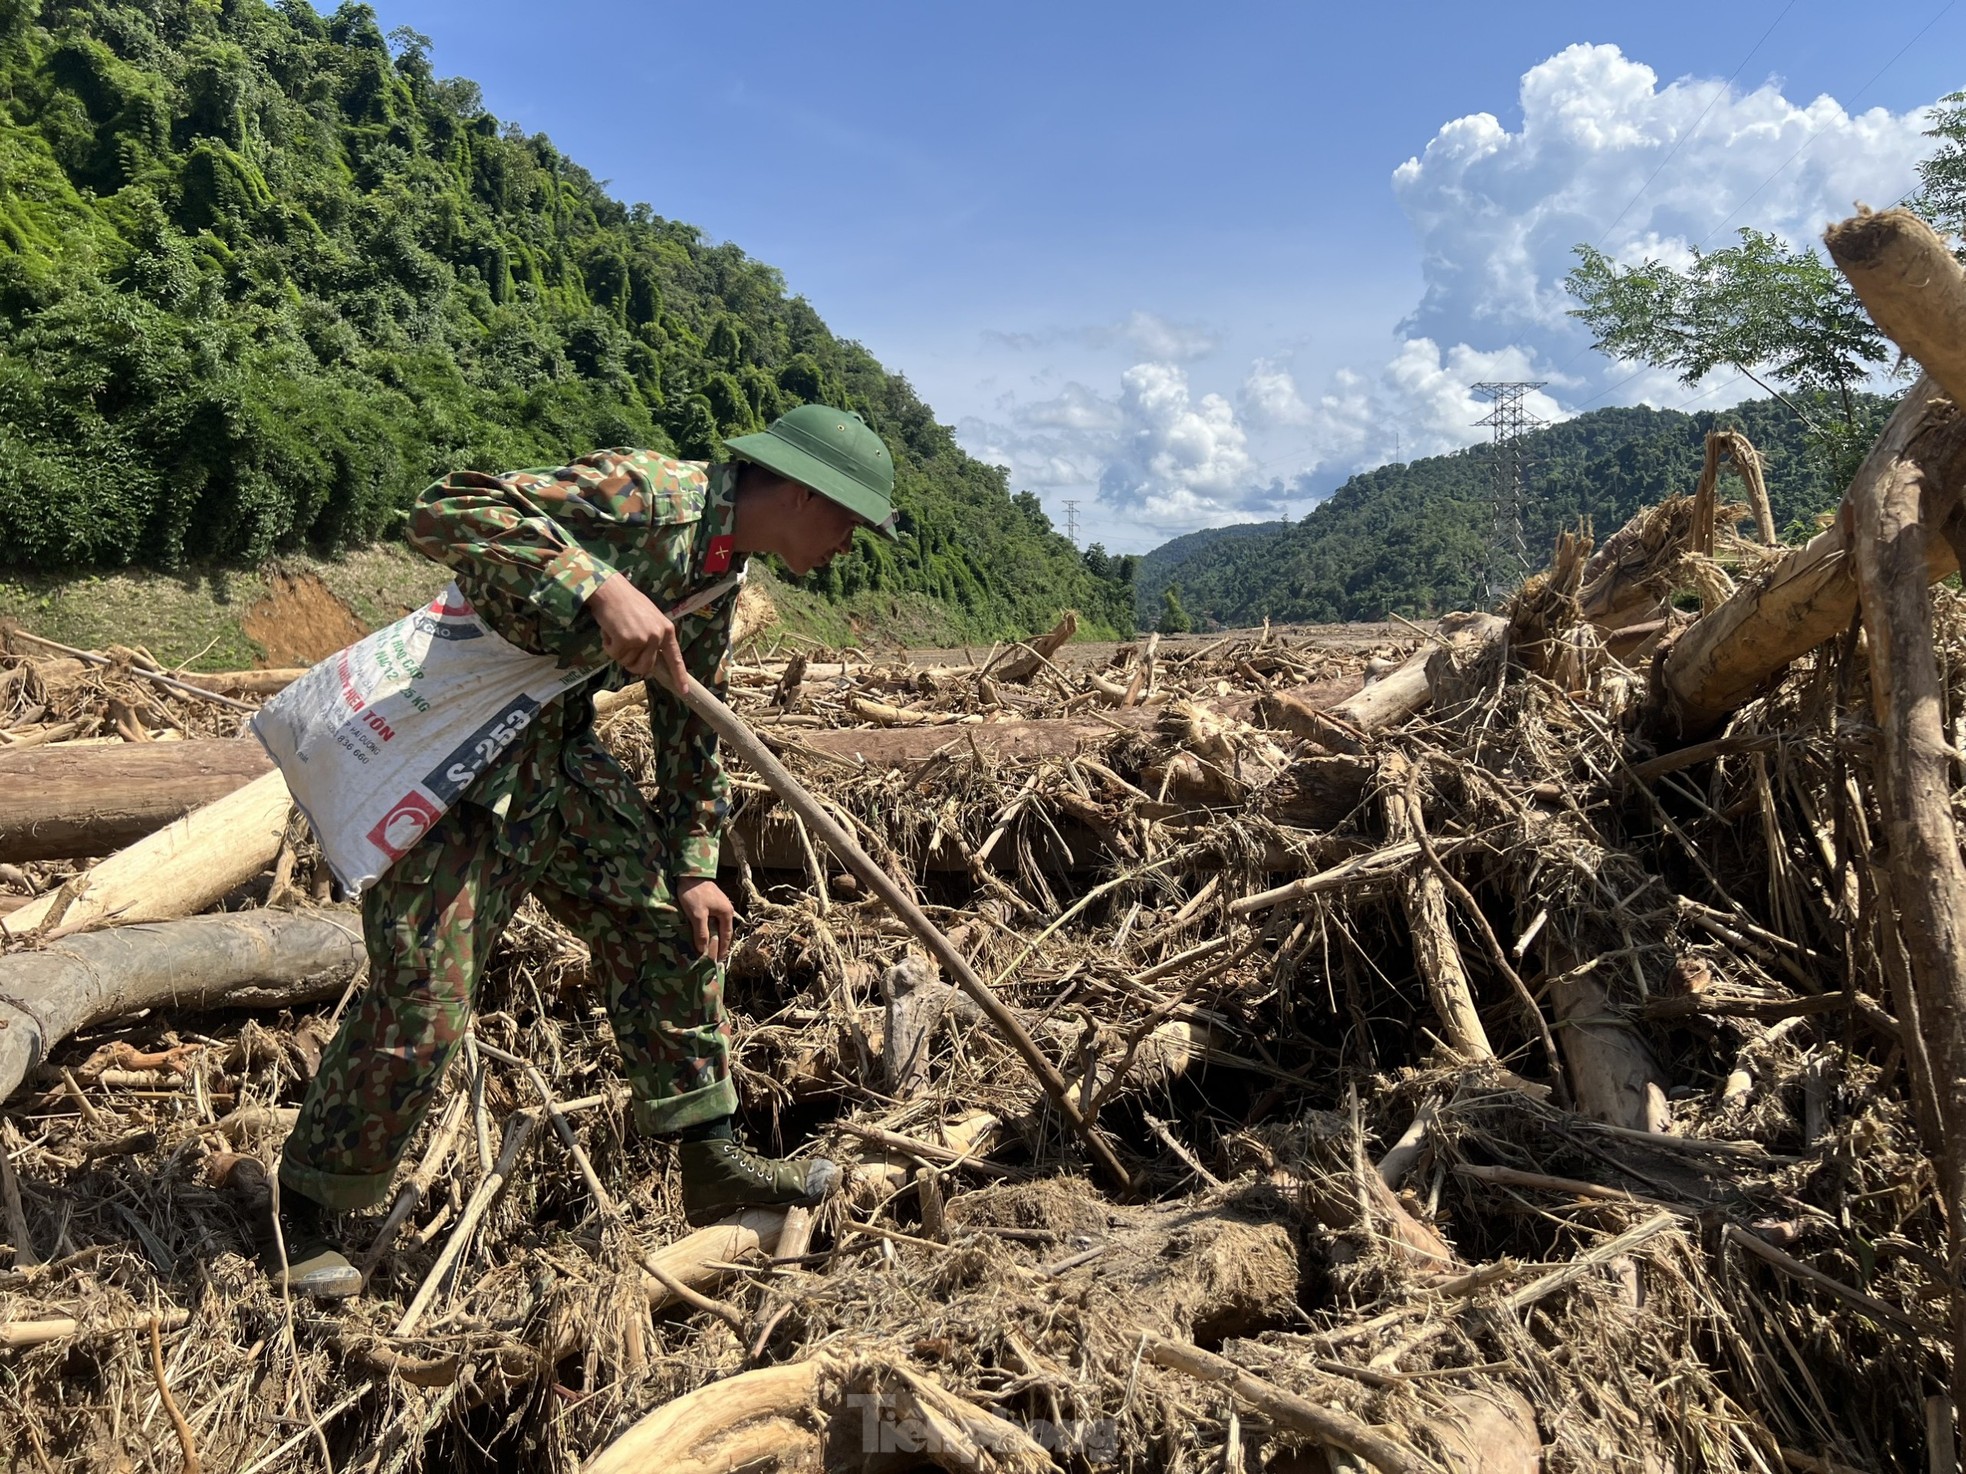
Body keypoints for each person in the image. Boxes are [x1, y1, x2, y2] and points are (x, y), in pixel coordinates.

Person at [263, 404, 901, 1299]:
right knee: (426, 1008)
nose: (846, 545)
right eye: (848, 523)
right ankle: (305, 1204)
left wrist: (693, 867)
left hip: (553, 752)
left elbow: (690, 720)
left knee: (671, 926)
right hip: (454, 750)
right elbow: (447, 505)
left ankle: (710, 1154)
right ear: (801, 493)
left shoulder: (721, 575)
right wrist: (595, 584)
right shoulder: (644, 495)